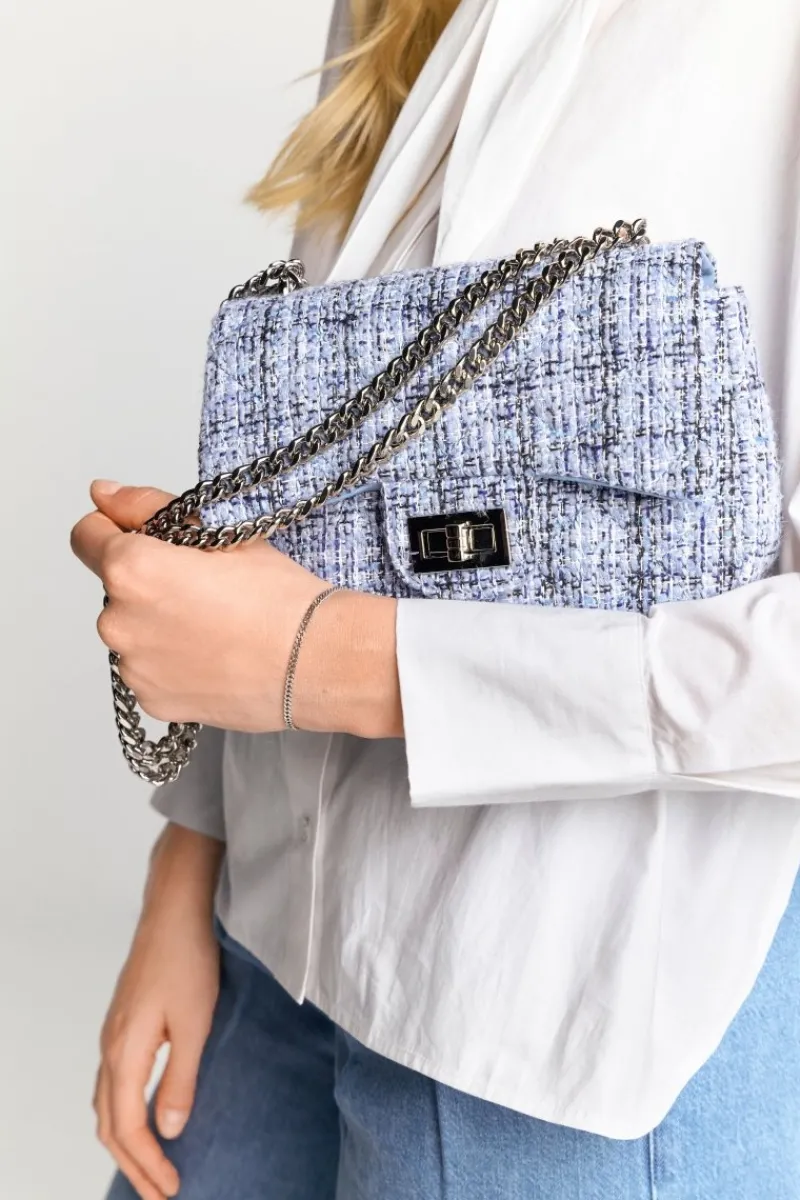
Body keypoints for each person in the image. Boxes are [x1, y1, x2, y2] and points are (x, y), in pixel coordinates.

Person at [70, 1, 800, 1197]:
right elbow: (335, 462)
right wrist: (187, 864)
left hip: (564, 1018)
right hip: (273, 933)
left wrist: (326, 659)